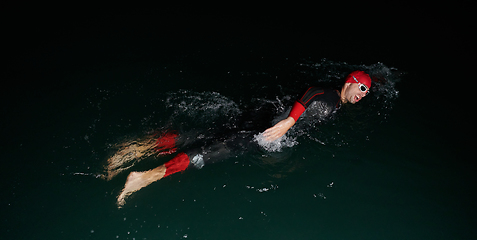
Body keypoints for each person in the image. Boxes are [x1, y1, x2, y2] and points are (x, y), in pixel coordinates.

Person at [106, 70, 372, 207]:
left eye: (366, 92)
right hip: (261, 132)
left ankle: (135, 149)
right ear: (349, 81)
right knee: (208, 154)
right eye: (360, 87)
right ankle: (144, 177)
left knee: (204, 135)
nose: (362, 94)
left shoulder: (337, 103)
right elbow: (312, 92)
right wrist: (289, 122)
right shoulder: (329, 98)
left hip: (258, 118)